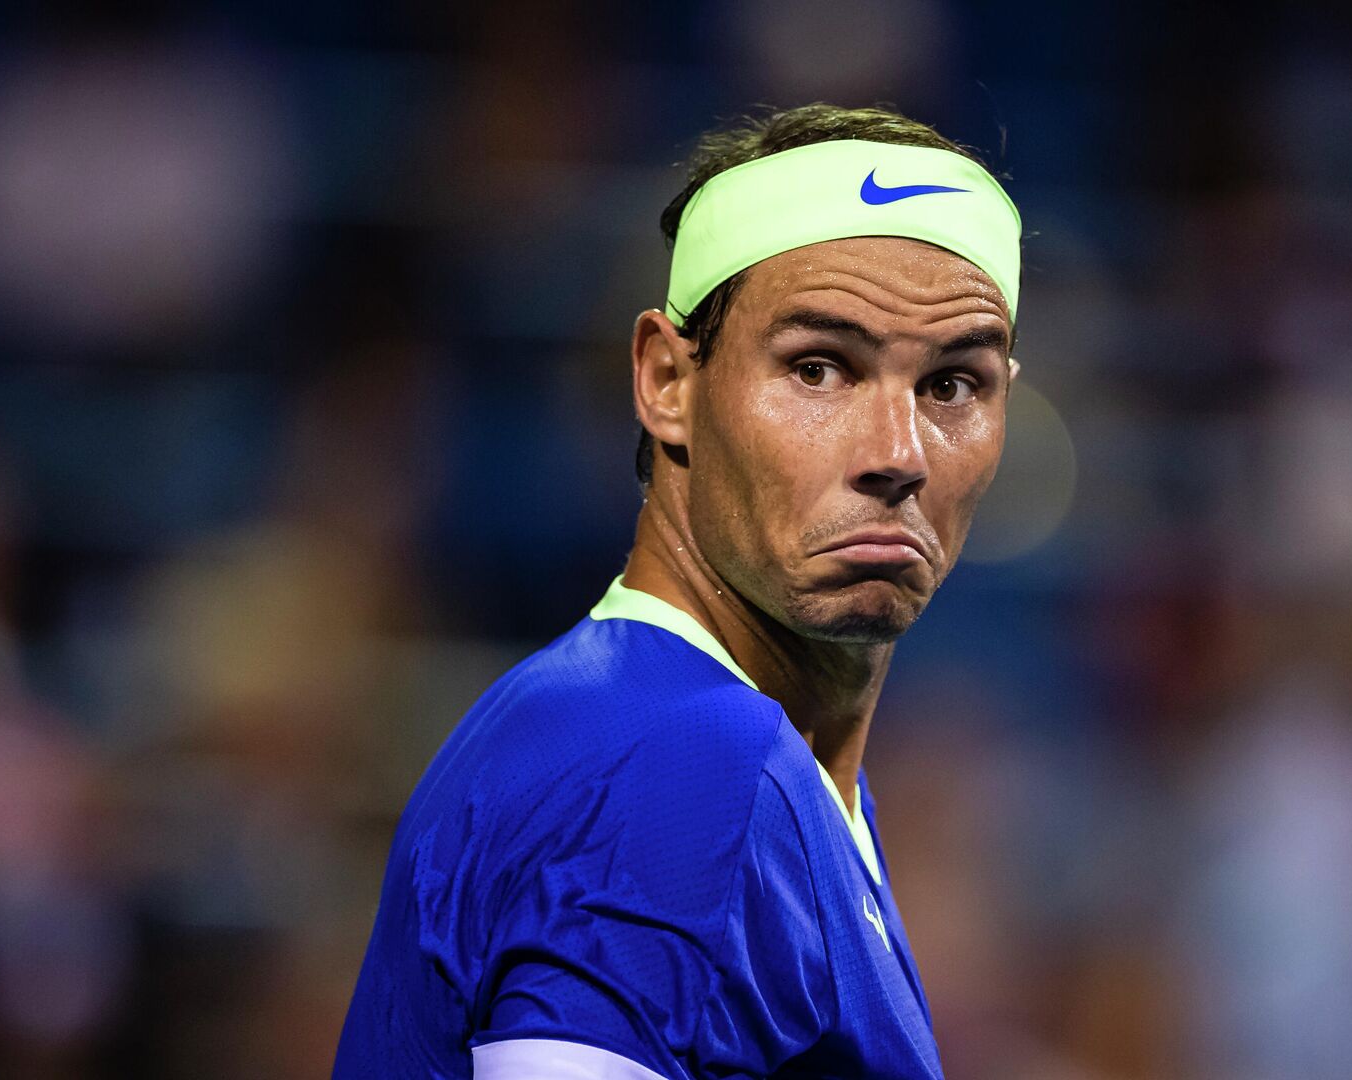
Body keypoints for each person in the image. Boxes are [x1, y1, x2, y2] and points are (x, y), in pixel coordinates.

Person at [335, 102, 1022, 1080]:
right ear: (667, 379)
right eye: (820, 368)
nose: (897, 455)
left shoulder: (683, 744)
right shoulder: (686, 763)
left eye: (953, 384)